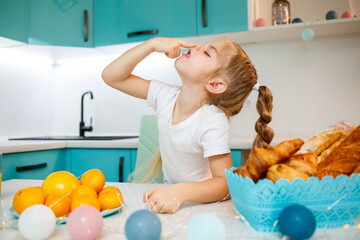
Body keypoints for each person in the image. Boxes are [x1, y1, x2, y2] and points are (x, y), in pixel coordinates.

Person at [102, 37, 274, 214]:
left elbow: (225, 183)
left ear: (215, 84)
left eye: (207, 52)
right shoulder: (165, 96)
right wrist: (151, 45)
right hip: (174, 202)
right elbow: (111, 76)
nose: (198, 46)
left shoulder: (212, 120)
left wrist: (180, 192)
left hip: (203, 208)